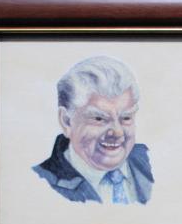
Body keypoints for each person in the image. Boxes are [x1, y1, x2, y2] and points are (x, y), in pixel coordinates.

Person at [32, 56, 154, 204]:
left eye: (126, 118)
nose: (118, 132)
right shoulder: (37, 184)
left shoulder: (151, 163)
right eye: (99, 119)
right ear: (66, 121)